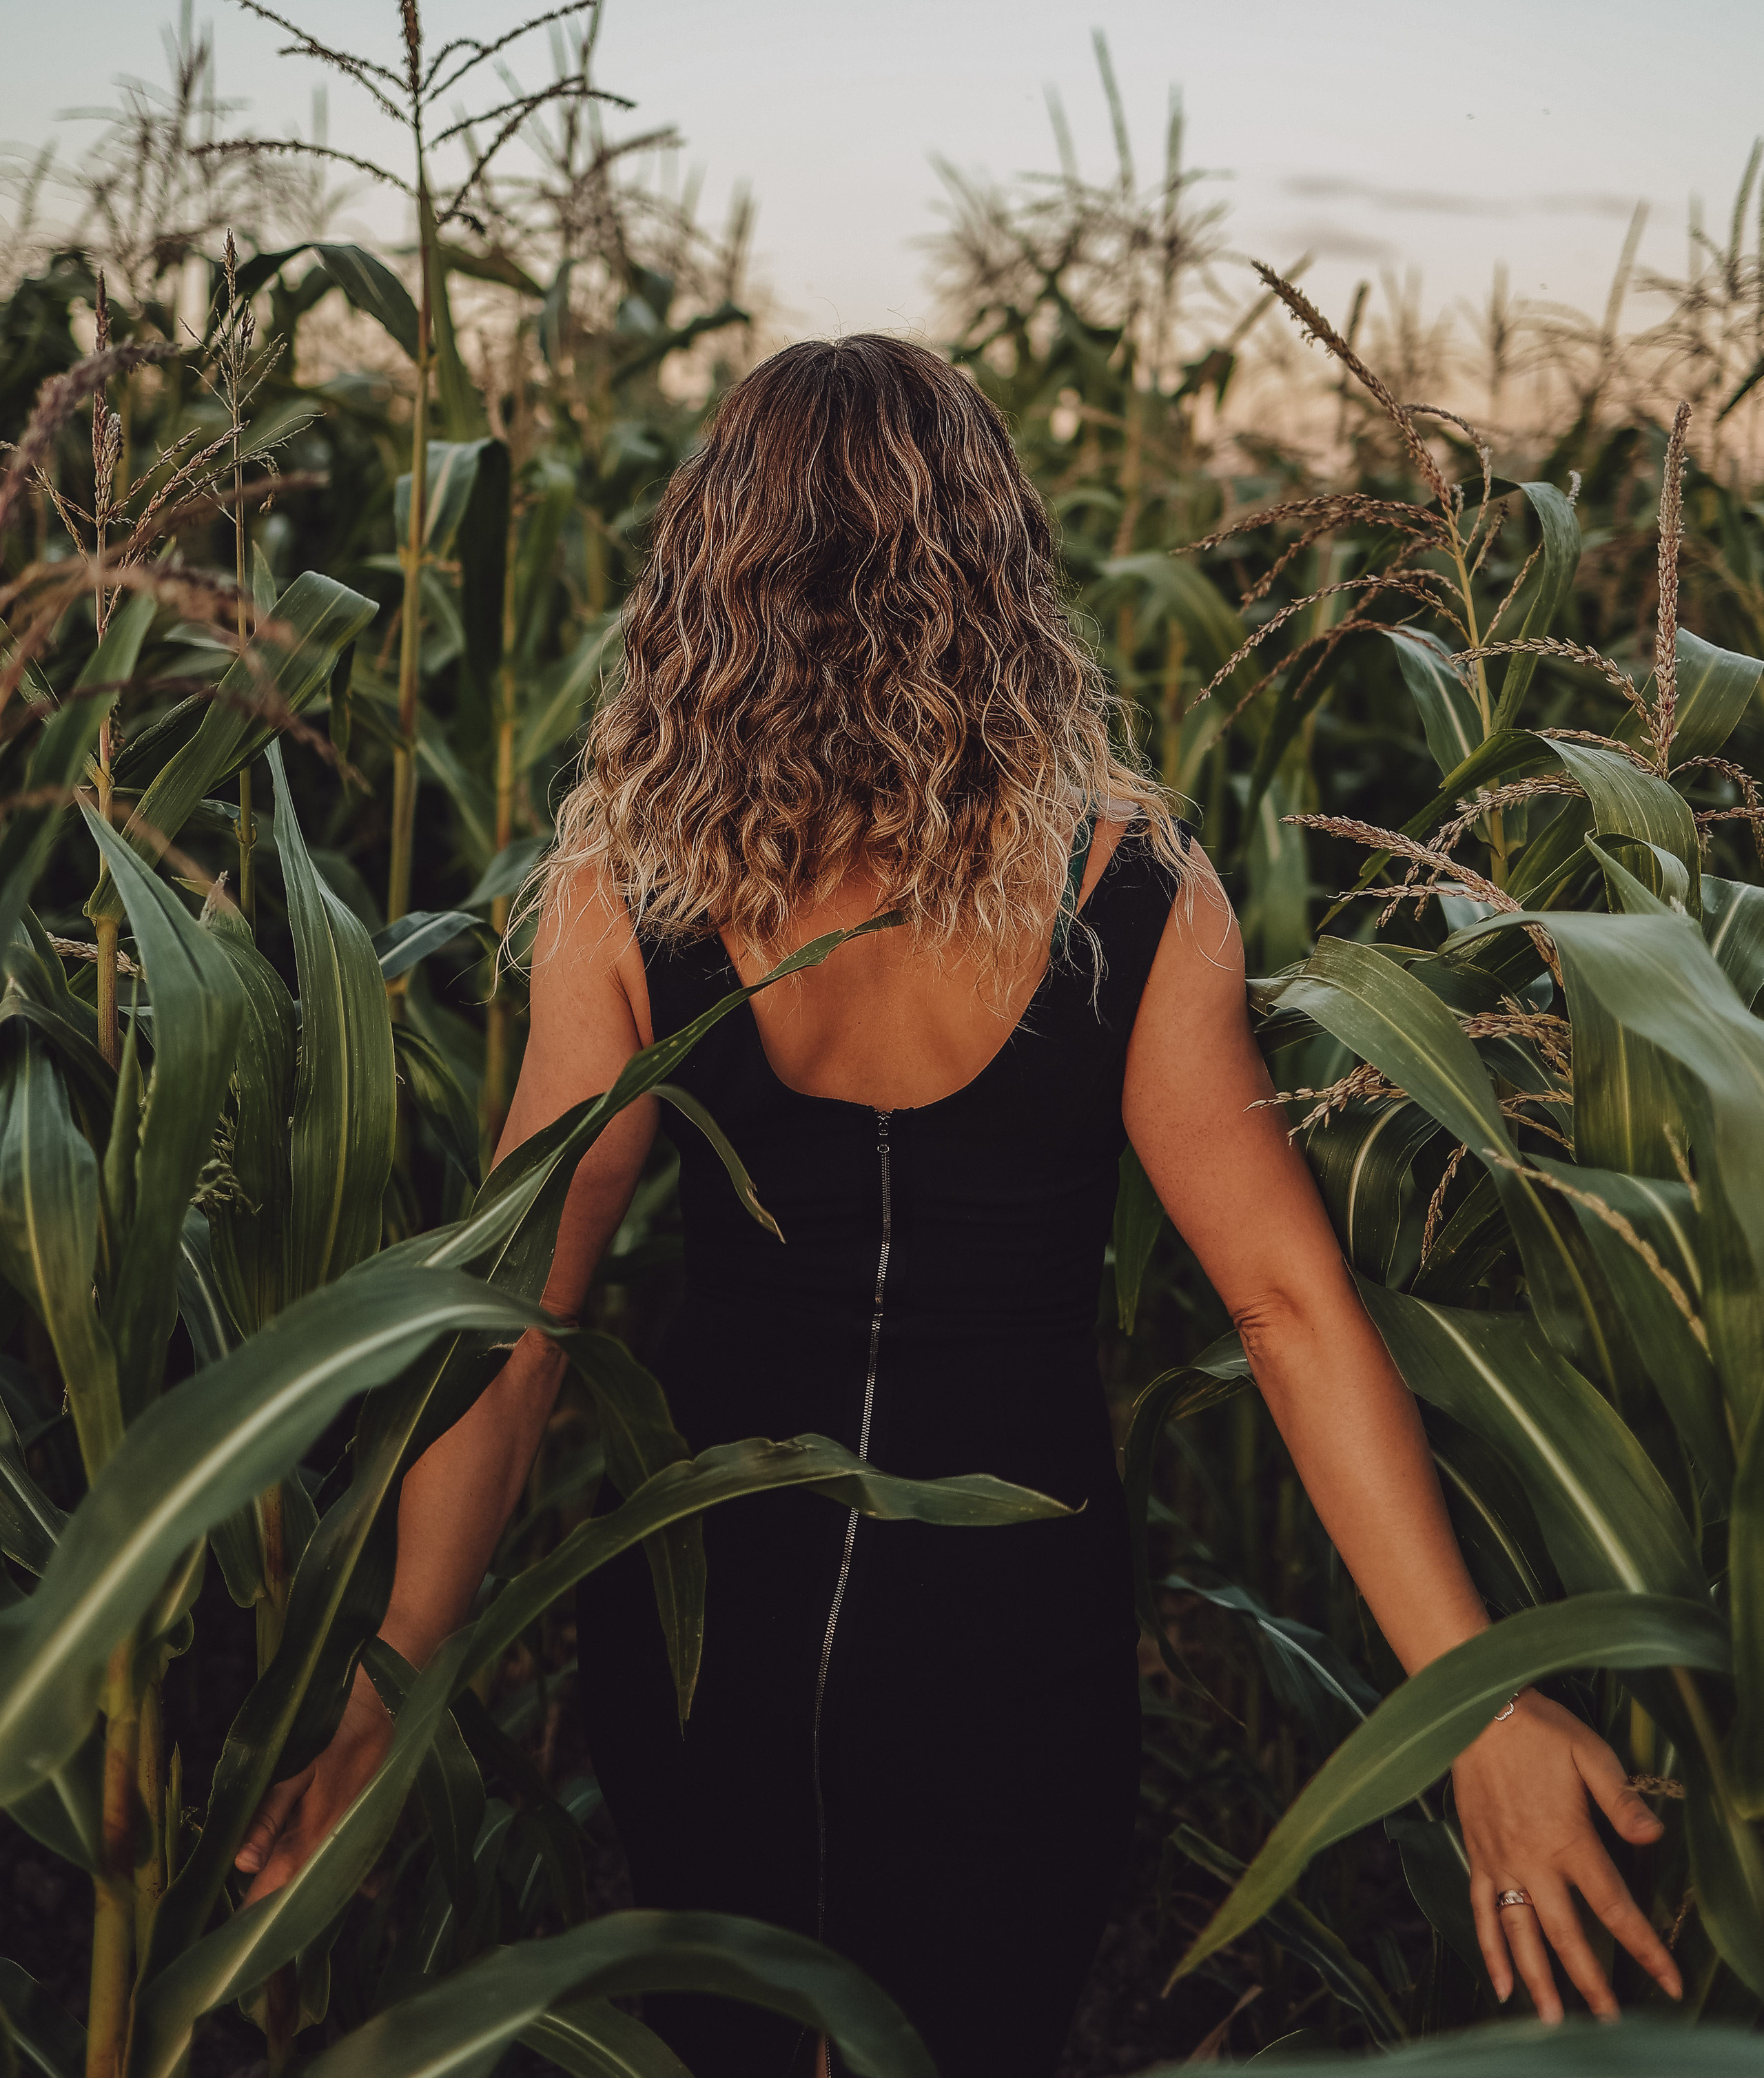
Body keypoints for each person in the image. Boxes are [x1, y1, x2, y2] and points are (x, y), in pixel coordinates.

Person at [236, 336, 1681, 2075]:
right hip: (1014, 1621)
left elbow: (520, 1313)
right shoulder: (1132, 889)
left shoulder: (626, 887)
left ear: (715, 569)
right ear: (994, 573)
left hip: (711, 1606)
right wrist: (1475, 1706)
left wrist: (388, 1673)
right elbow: (1285, 1309)